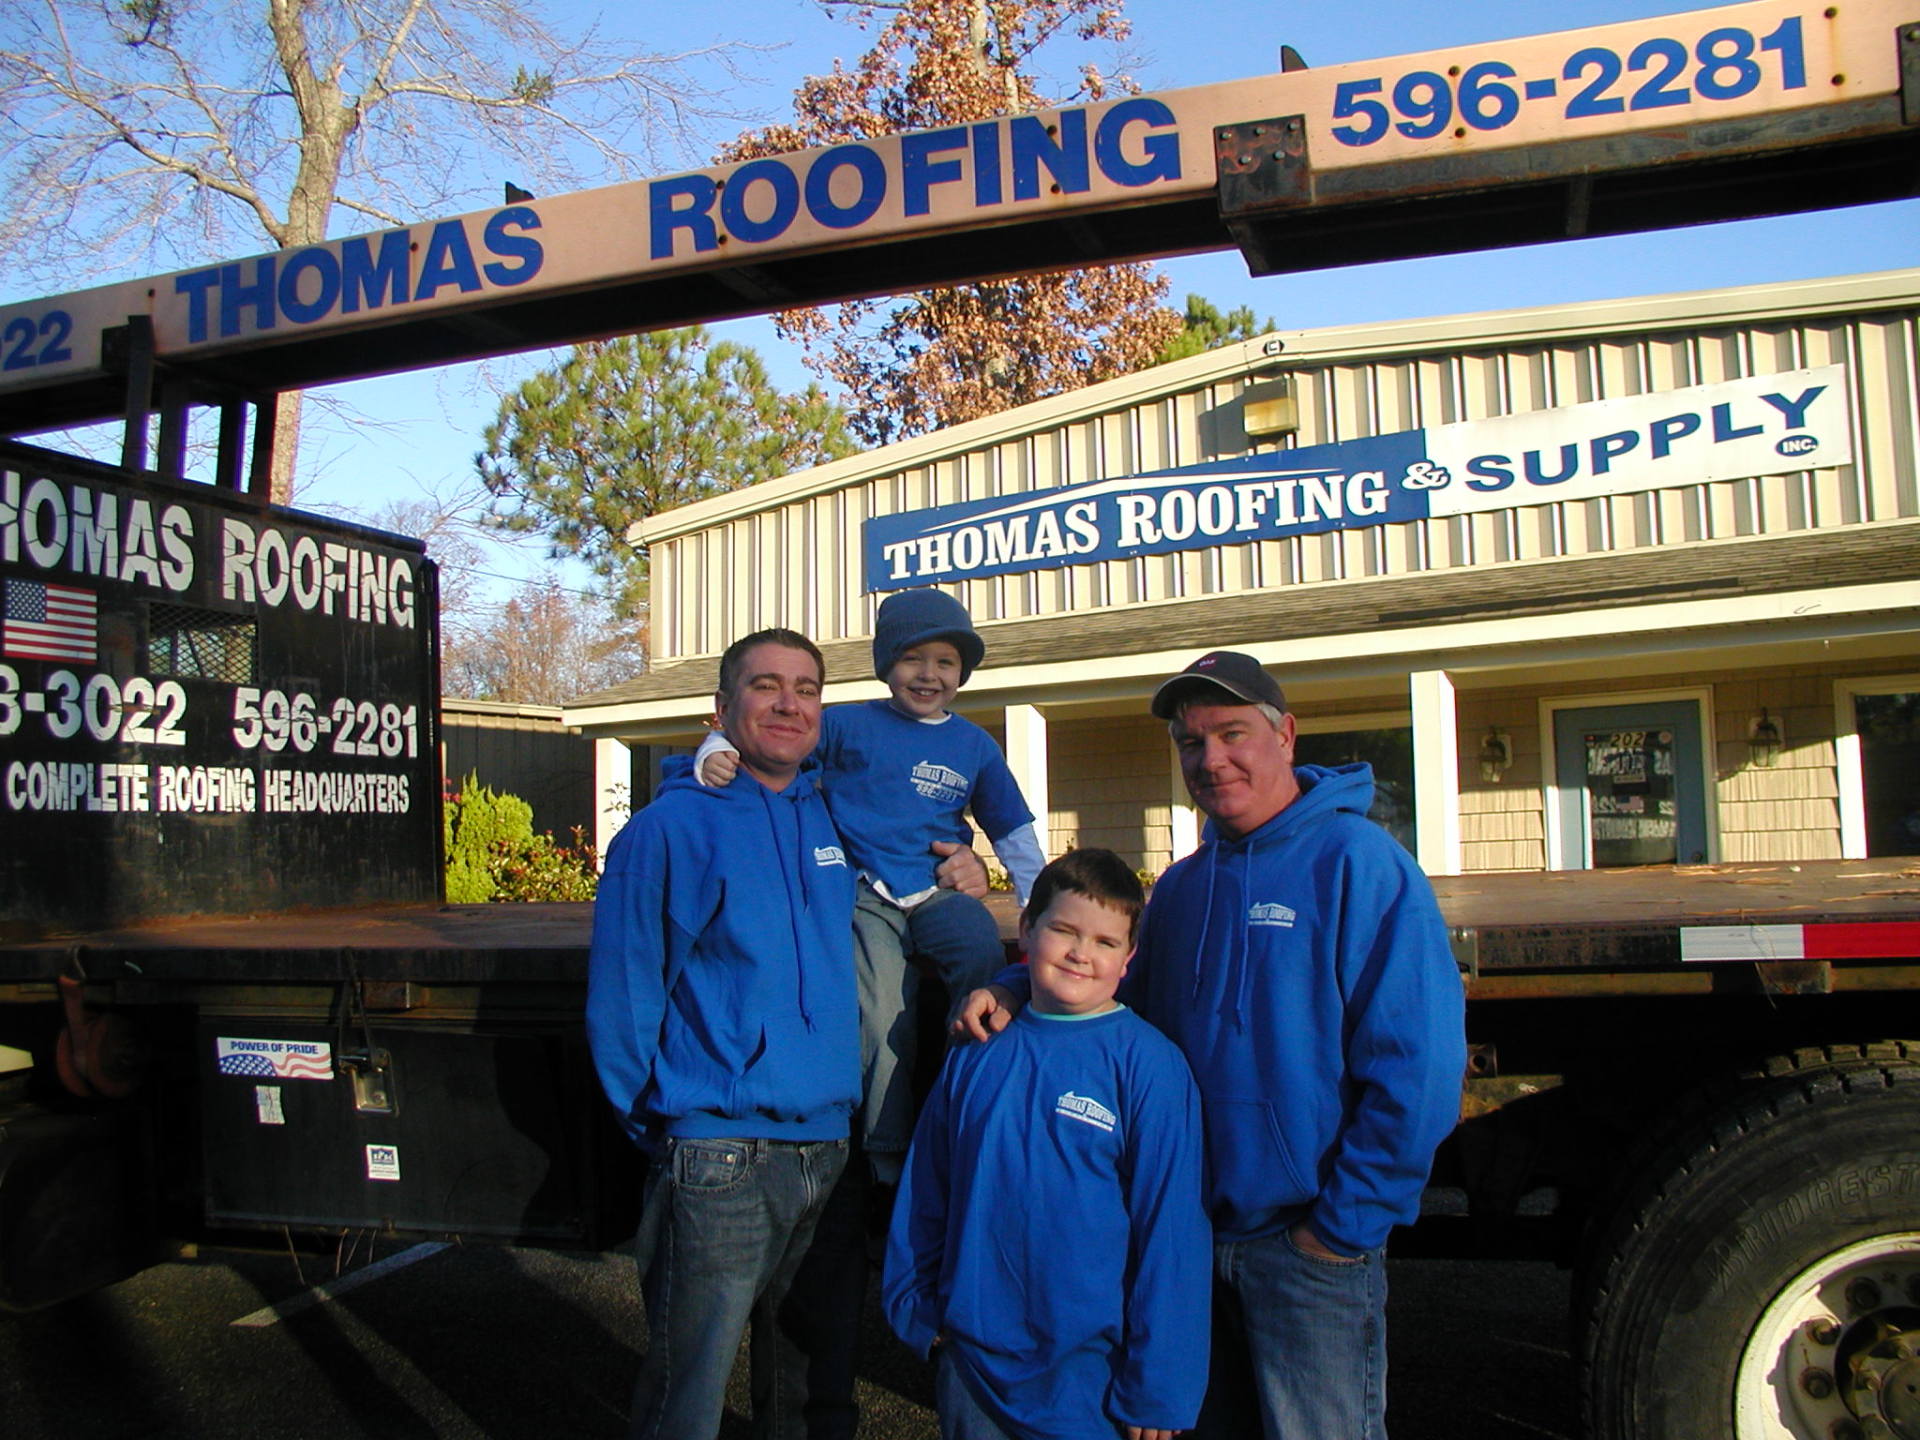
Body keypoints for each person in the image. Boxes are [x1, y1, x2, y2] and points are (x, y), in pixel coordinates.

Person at [958, 651, 1467, 1440]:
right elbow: (1111, 988)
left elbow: (1420, 1070)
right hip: (1192, 1242)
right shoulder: (1186, 888)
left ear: (1286, 734)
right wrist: (1018, 984)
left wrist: (1340, 1229)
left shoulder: (1360, 866)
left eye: (1232, 734)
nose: (1211, 759)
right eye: (1191, 743)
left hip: (1306, 1247)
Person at [585, 628, 857, 1440]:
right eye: (767, 684)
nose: (789, 703)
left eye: (807, 688)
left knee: (815, 1396)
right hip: (719, 1158)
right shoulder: (669, 832)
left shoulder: (833, 818)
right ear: (721, 708)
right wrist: (678, 1131)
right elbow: (624, 1006)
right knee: (687, 1398)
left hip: (831, 1152)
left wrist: (953, 867)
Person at [697, 587, 1043, 1190]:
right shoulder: (848, 723)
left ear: (962, 672)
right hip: (863, 892)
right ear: (886, 664)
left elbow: (1012, 830)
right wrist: (712, 750)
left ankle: (976, 1106)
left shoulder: (973, 745)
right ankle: (887, 1147)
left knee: (983, 962)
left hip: (936, 891)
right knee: (882, 1008)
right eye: (913, 658)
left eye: (945, 662)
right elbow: (772, 741)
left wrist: (1035, 908)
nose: (928, 674)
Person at [883, 848, 1210, 1440]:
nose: (1082, 953)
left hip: (1091, 1381)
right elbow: (927, 1186)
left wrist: (1159, 1385)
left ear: (1129, 958)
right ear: (1028, 928)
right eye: (1064, 930)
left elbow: (1173, 1233)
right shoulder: (978, 1046)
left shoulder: (1151, 1068)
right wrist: (915, 1304)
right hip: (973, 1366)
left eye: (1106, 943)